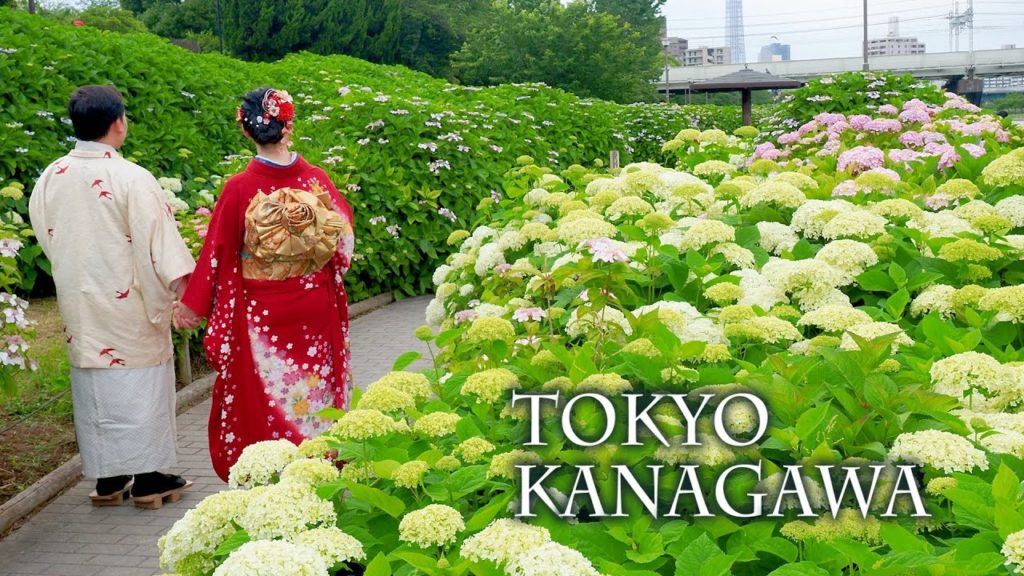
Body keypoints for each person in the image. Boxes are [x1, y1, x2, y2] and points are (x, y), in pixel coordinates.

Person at [175, 87, 355, 482]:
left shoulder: (240, 188)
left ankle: (277, 473)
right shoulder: (316, 180)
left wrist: (193, 304)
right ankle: (320, 473)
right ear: (289, 127)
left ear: (247, 130)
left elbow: (218, 254)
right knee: (315, 392)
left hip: (263, 313)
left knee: (272, 394)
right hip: (314, 306)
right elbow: (343, 246)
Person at [29, 85, 196, 509]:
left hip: (79, 299)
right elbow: (161, 245)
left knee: (95, 389)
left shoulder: (51, 176)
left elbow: (47, 234)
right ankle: (149, 478)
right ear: (118, 122)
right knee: (137, 386)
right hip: (128, 300)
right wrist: (185, 292)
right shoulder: (131, 177)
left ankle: (109, 478)